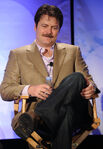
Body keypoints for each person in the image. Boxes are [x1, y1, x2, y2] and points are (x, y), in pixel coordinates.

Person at [0, 4, 100, 149]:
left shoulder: (73, 51)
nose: (49, 32)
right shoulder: (18, 55)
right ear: (35, 27)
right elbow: (5, 90)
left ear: (59, 29)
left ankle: (38, 115)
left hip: (68, 115)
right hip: (53, 122)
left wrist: (91, 87)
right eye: (45, 26)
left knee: (78, 77)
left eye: (54, 27)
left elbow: (90, 81)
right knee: (65, 112)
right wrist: (30, 89)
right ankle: (42, 117)